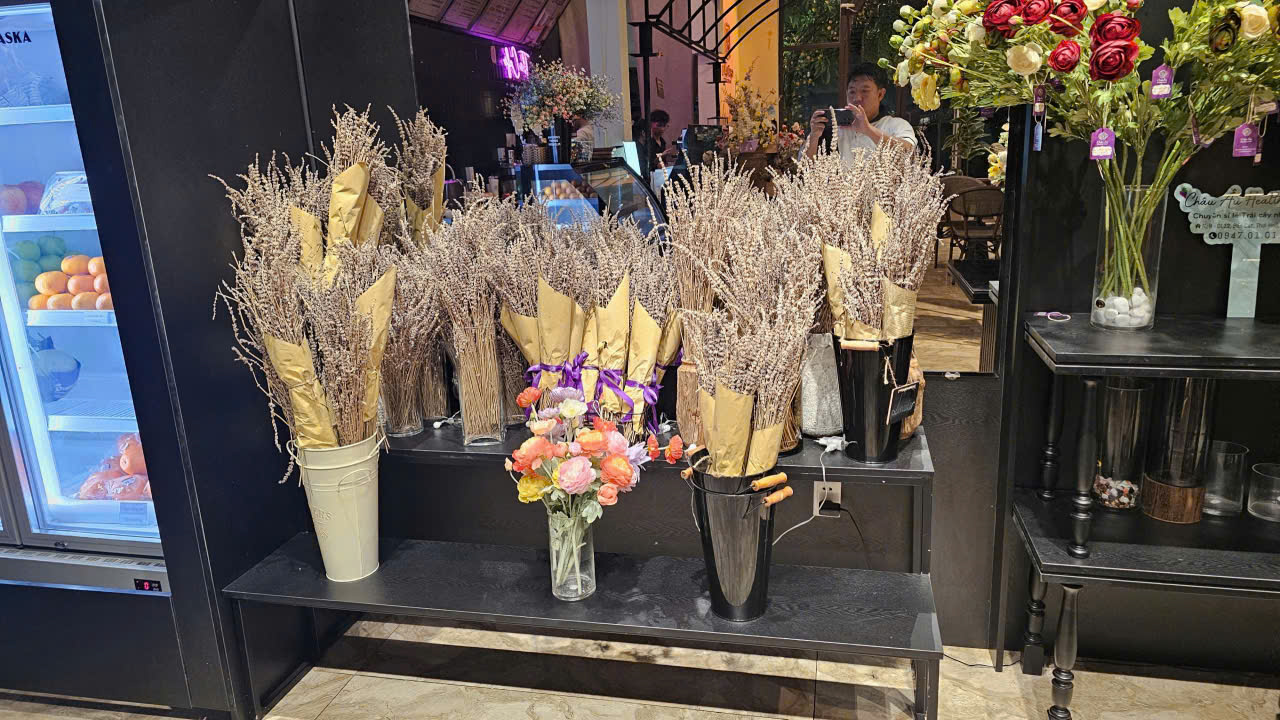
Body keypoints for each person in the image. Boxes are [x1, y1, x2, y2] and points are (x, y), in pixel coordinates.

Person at [805, 62, 916, 161]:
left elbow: (909, 154)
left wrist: (868, 129)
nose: (857, 98)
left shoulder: (896, 125)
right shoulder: (834, 129)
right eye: (852, 92)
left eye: (865, 91)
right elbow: (804, 167)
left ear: (880, 94)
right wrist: (814, 136)